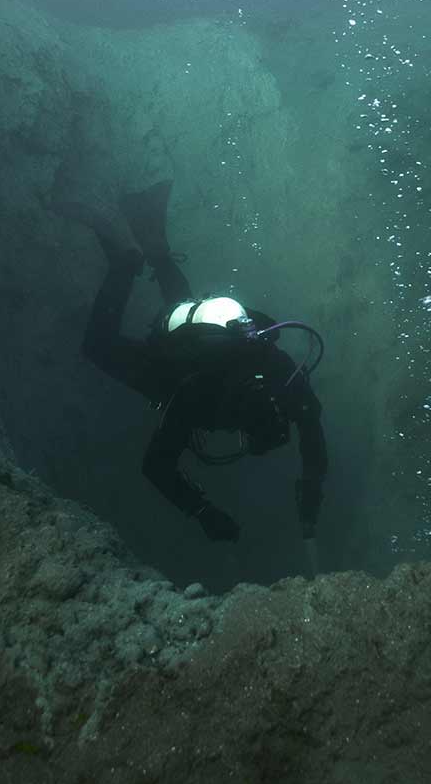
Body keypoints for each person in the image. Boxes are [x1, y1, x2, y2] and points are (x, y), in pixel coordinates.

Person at [58, 180, 328, 555]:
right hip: (166, 369)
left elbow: (311, 428)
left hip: (209, 339)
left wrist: (311, 487)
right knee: (98, 347)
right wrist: (203, 511)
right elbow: (155, 466)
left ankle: (155, 247)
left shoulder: (276, 370)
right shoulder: (201, 399)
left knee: (181, 316)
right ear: (244, 428)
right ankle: (125, 263)